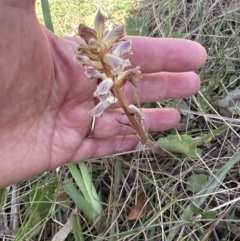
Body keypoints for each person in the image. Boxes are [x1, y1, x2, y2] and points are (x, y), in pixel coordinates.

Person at [0, 1, 207, 188]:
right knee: (121, 102)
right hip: (107, 78)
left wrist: (121, 71)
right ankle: (153, 148)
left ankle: (159, 149)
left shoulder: (111, 59)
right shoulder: (97, 68)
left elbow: (114, 62)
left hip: (112, 74)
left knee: (129, 105)